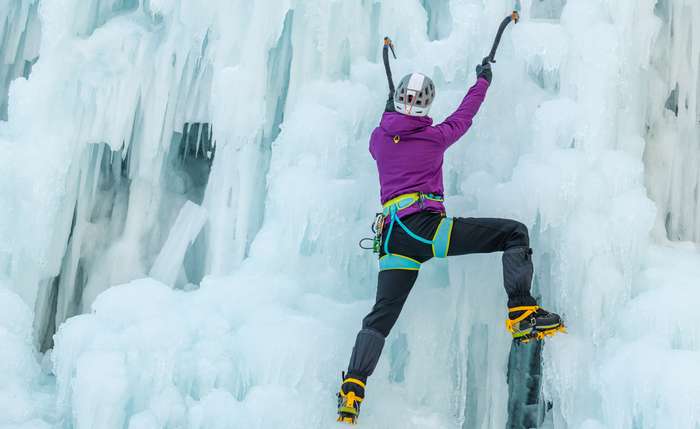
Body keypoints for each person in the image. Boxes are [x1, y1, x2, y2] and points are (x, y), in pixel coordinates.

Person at [336, 59, 563, 424]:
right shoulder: (435, 137)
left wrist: (390, 106)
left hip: (393, 240)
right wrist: (483, 81)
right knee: (513, 233)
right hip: (426, 230)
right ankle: (521, 311)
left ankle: (353, 388)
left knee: (379, 319)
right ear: (427, 104)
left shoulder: (378, 139)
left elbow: (388, 122)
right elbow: (465, 114)